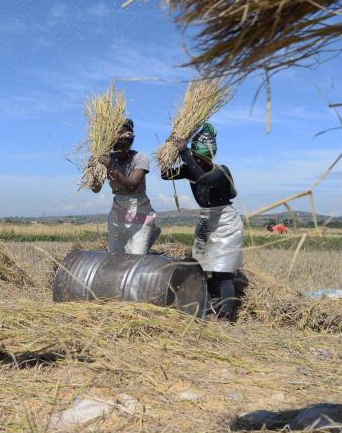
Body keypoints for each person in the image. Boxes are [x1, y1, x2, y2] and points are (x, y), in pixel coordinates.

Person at [161, 123, 243, 320]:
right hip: (206, 219)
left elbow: (204, 179)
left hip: (225, 221)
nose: (197, 161)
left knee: (223, 272)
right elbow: (165, 174)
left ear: (211, 155)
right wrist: (169, 151)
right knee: (203, 265)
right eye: (196, 158)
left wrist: (186, 154)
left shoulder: (222, 171)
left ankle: (226, 316)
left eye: (201, 157)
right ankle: (208, 304)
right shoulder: (189, 169)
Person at [88, 119, 160, 254]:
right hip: (118, 209)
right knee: (115, 254)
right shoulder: (108, 158)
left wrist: (111, 167)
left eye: (126, 142)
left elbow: (132, 186)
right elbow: (96, 189)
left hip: (139, 210)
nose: (121, 149)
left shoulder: (140, 158)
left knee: (136, 255)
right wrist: (93, 172)